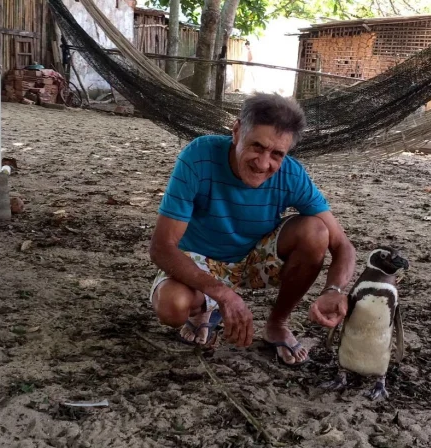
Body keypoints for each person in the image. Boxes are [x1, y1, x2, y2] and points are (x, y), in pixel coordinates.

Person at [148, 93, 356, 366]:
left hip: (255, 260)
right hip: (200, 259)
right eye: (257, 146)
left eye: (277, 154)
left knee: (316, 231)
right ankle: (206, 308)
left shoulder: (292, 174)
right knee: (172, 307)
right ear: (236, 132)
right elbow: (161, 248)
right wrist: (224, 294)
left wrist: (335, 290)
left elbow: (342, 245)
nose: (263, 163)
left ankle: (277, 323)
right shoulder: (198, 156)